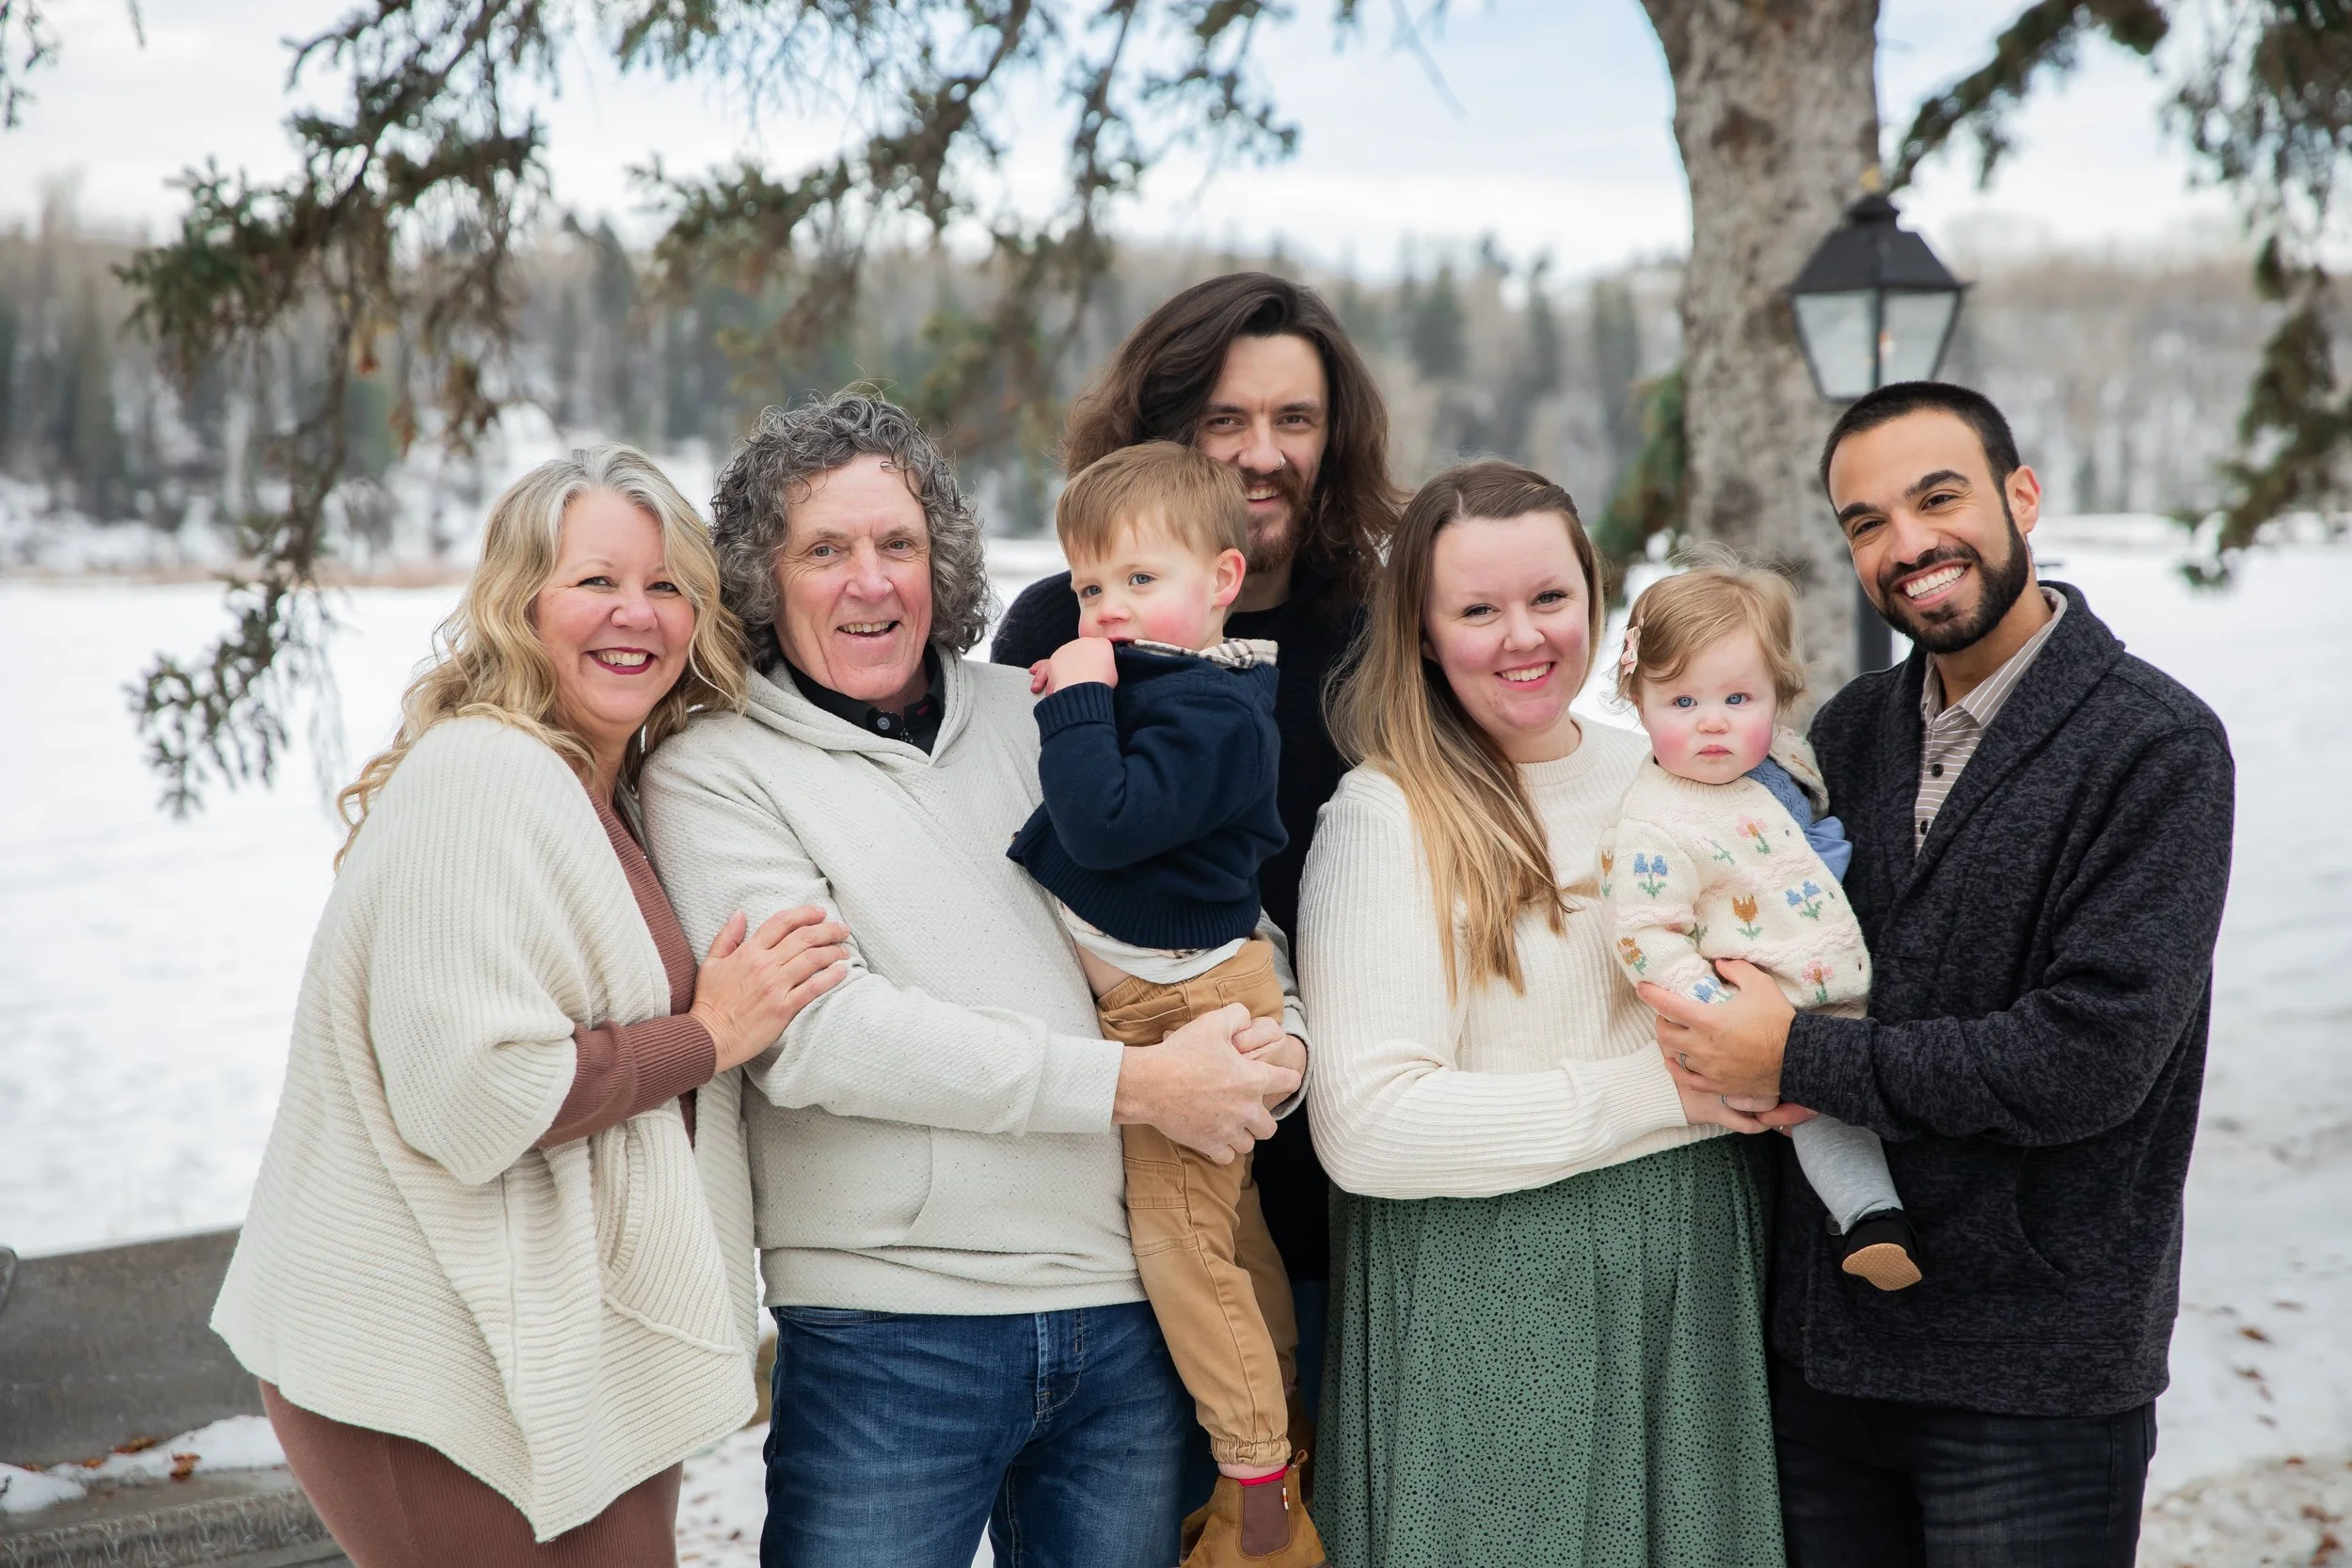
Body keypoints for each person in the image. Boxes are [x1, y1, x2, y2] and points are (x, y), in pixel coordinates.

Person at [636, 392, 1305, 1568]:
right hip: (891, 1330)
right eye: (825, 550)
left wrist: (1275, 1046)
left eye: (897, 545)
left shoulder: (1047, 706)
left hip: (1130, 1313)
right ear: (761, 576)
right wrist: (1135, 1086)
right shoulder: (715, 769)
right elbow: (821, 1034)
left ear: (941, 563)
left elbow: (1213, 902)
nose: (869, 581)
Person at [212, 446, 851, 1566]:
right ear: (521, 604)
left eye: (666, 586)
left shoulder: (605, 789)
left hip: (557, 1343)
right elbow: (474, 1091)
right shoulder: (481, 776)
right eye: (595, 580)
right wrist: (713, 1034)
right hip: (420, 1350)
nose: (635, 614)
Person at [1649, 380, 2236, 1565]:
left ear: (2021, 495)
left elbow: (2086, 1059)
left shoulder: (2154, 747)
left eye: (1937, 497)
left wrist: (1794, 1053)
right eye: (1865, 521)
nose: (1907, 544)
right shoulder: (1851, 731)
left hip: (2030, 1373)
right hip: (1826, 1357)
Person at [1298, 460, 1781, 1567]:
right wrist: (1672, 1086)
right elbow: (1368, 1124)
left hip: (1692, 1278)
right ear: (1421, 631)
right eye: (1477, 609)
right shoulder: (1388, 814)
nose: (1522, 636)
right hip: (1497, 1303)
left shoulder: (1667, 774)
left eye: (1548, 598)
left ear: (1597, 601)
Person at [992, 274, 1406, 1392]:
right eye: (1224, 420)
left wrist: (1300, 1038)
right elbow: (1012, 867)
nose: (1259, 454)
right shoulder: (1065, 625)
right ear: (1165, 429)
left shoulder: (1378, 630)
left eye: (1294, 420)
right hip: (1111, 1187)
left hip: (1334, 1171)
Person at [1007, 440, 1324, 1568]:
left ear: (1222, 580)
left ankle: (1255, 1485)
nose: (1108, 607)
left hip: (1183, 1007)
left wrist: (1078, 705)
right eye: (1091, 588)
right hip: (1170, 990)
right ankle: (1277, 1384)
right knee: (1227, 1228)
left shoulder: (1218, 707)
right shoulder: (1173, 682)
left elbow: (1104, 822)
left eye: (1142, 580)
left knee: (1180, 1242)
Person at [1601, 553, 1917, 1291]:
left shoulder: (1780, 758)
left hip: (1829, 979)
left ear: (1777, 697)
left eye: (1739, 698)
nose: (1713, 722)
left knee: (1879, 1090)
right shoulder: (1658, 819)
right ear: (1638, 701)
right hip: (1758, 1016)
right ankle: (1871, 1219)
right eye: (1681, 703)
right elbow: (1647, 937)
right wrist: (1726, 1024)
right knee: (1821, 1118)